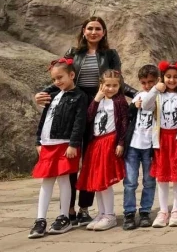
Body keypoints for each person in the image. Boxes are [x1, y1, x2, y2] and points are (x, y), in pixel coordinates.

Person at [33, 16, 137, 226]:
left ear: (104, 32)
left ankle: (84, 208)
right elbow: (62, 77)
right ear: (83, 31)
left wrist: (137, 95)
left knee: (91, 161)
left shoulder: (110, 54)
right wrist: (42, 92)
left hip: (99, 106)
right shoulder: (74, 53)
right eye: (89, 28)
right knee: (69, 159)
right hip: (75, 105)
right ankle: (68, 209)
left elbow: (117, 82)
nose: (93, 32)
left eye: (98, 28)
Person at [29, 57, 88, 239]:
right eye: (54, 79)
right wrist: (39, 141)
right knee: (46, 181)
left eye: (60, 77)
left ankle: (64, 217)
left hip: (64, 144)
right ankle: (40, 219)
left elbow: (79, 123)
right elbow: (44, 119)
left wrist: (73, 144)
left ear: (72, 75)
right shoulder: (53, 95)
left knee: (64, 180)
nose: (57, 82)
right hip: (47, 144)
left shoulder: (80, 96)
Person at [141, 61, 177, 228]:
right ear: (162, 78)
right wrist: (156, 88)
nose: (171, 80)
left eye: (175, 77)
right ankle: (163, 211)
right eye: (168, 77)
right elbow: (145, 105)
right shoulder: (158, 95)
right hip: (161, 139)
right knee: (161, 177)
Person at [76, 70, 128, 231]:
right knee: (97, 181)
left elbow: (124, 123)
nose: (111, 89)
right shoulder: (97, 100)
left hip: (109, 141)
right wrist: (96, 99)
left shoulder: (119, 102)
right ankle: (101, 213)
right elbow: (88, 118)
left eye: (114, 85)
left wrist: (120, 142)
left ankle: (110, 215)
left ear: (119, 86)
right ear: (101, 85)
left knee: (104, 181)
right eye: (107, 85)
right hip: (95, 143)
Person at [122, 65, 160, 230]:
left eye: (150, 82)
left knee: (149, 181)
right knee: (130, 181)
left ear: (157, 81)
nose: (147, 85)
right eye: (144, 82)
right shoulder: (138, 95)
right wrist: (132, 106)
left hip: (149, 146)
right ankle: (129, 213)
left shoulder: (159, 96)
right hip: (133, 145)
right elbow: (127, 117)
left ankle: (145, 212)